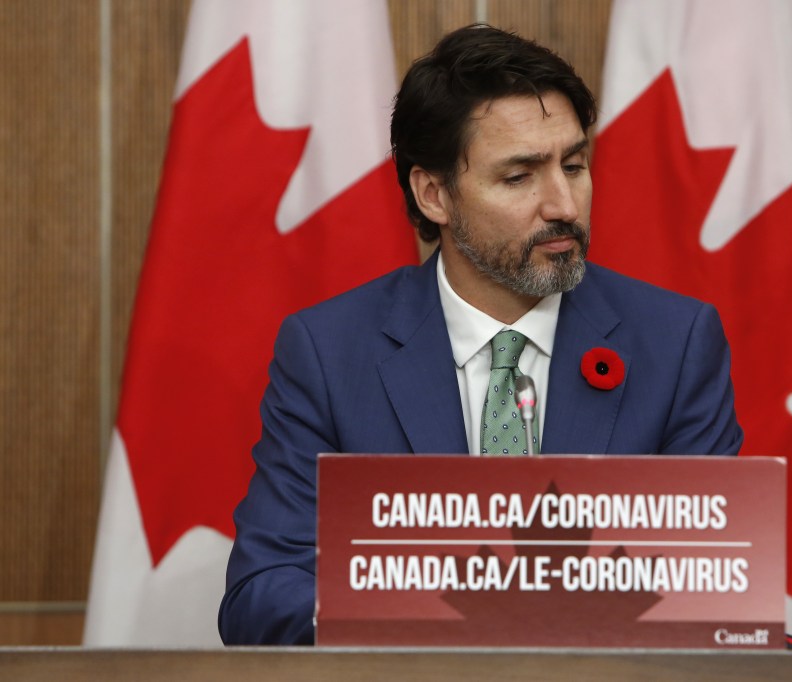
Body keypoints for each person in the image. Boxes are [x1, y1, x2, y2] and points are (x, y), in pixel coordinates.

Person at [219, 24, 742, 645]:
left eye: (573, 166)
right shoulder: (331, 353)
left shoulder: (677, 344)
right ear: (434, 193)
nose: (563, 205)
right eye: (519, 177)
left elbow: (713, 590)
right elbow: (263, 595)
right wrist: (457, 615)